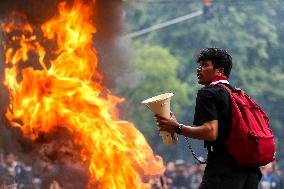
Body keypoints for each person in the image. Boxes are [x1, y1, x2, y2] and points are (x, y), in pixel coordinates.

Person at [155, 47, 262, 189]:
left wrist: (177, 128)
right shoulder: (237, 93)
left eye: (205, 65)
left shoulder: (208, 93)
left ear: (220, 71)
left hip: (224, 171)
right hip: (250, 171)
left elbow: (210, 132)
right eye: (200, 65)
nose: (198, 69)